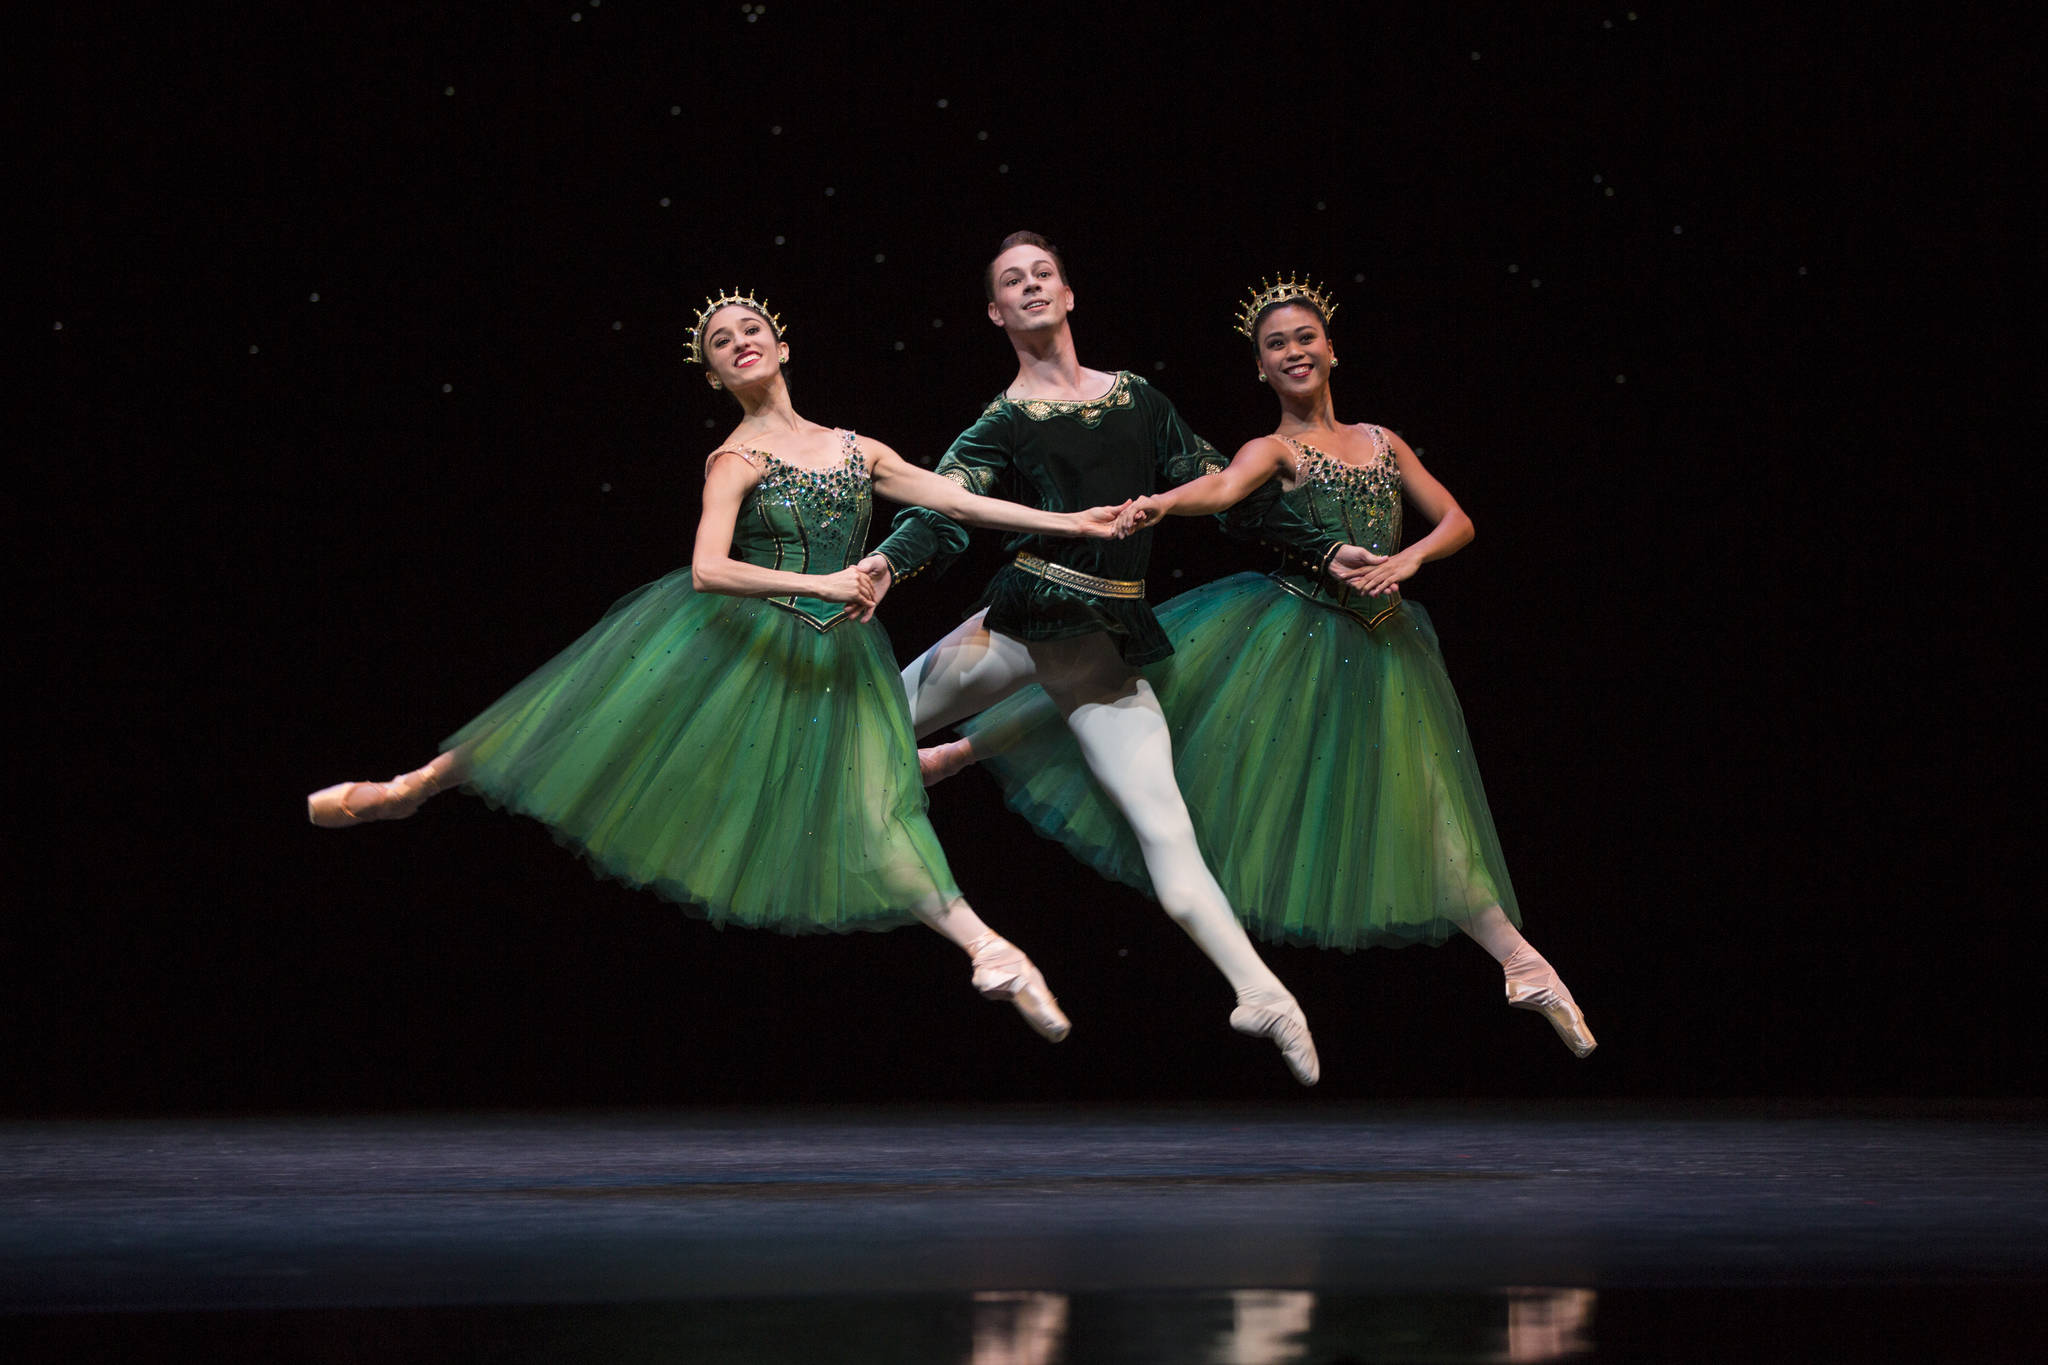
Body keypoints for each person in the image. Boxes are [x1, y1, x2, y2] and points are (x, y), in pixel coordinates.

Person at [305, 290, 1137, 1044]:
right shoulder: (735, 457)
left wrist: (1073, 525)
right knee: (583, 727)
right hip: (731, 639)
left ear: (781, 344)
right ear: (712, 375)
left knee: (873, 812)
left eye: (751, 329)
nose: (738, 341)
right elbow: (708, 566)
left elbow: (954, 499)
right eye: (719, 341)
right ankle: (414, 787)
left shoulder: (855, 447)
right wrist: (819, 580)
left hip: (829, 656)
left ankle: (991, 950)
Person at [935, 277, 1596, 1057]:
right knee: (1147, 698)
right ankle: (962, 748)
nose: (1293, 352)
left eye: (1304, 338)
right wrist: (1163, 503)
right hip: (1287, 634)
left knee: (1426, 812)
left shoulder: (1382, 440)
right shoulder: (1272, 448)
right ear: (1259, 368)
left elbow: (1457, 519)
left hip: (1384, 651)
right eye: (1275, 345)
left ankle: (1521, 963)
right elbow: (1220, 487)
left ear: (1331, 347)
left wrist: (1408, 560)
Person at [855, 236, 1388, 1086]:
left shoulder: (1139, 400)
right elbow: (948, 506)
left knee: (1168, 831)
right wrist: (888, 561)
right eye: (1010, 284)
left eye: (1041, 275)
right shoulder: (1004, 421)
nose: (1030, 288)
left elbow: (1226, 493)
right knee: (859, 733)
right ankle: (983, 947)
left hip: (1104, 650)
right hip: (1021, 624)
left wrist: (1326, 553)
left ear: (1068, 293)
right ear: (996, 313)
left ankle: (1265, 995)